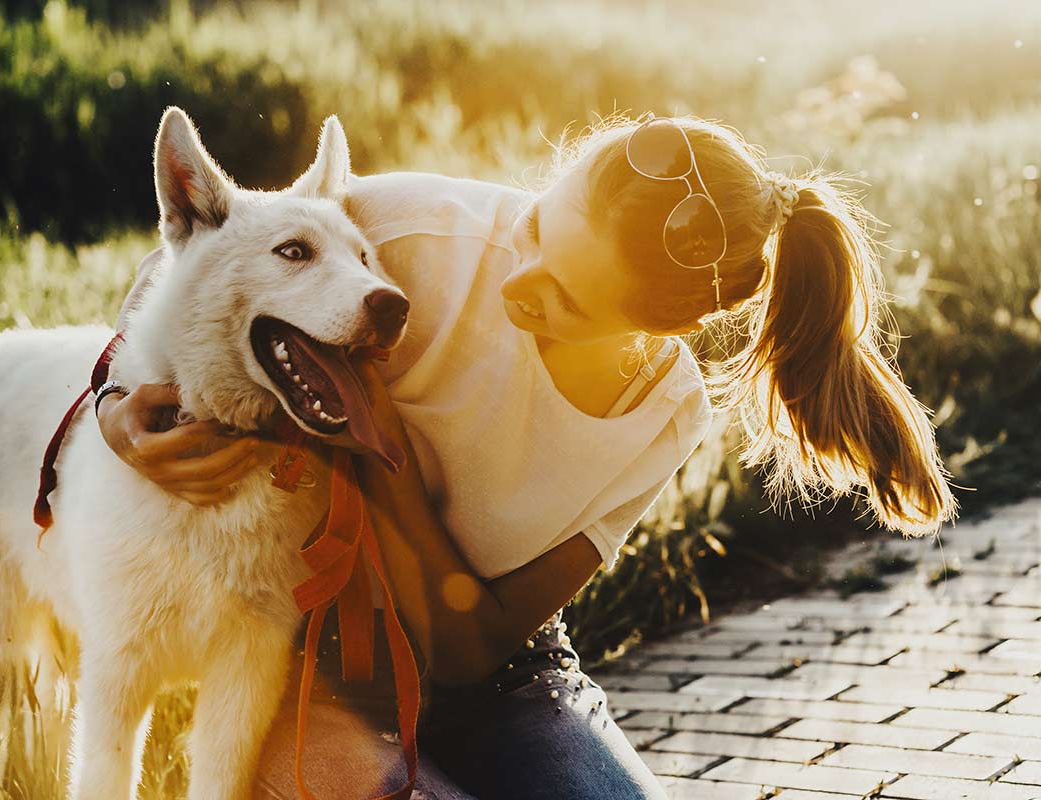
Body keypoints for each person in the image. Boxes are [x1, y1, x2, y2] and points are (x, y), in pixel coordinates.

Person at [96, 113, 956, 799]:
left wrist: (382, 449)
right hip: (305, 675)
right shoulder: (407, 226)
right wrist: (111, 402)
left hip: (506, 682)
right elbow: (202, 254)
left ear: (664, 331)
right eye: (538, 224)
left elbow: (470, 650)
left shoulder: (660, 412)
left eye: (564, 296)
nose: (519, 275)